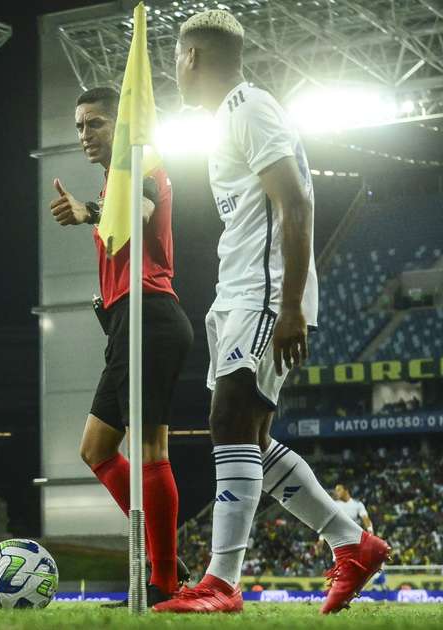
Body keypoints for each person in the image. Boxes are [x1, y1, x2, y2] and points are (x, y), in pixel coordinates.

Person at [153, 9, 390, 615]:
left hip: (263, 294)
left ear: (192, 58)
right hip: (239, 292)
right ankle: (350, 541)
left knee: (231, 419)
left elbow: (298, 199)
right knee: (247, 432)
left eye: (176, 56)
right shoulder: (229, 119)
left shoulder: (248, 108)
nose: (174, 67)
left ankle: (222, 584)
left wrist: (287, 305)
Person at [50, 86, 193, 606]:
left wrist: (89, 212)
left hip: (150, 314)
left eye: (95, 124)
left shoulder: (145, 162)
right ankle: (164, 555)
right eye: (79, 127)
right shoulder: (115, 179)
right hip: (124, 322)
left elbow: (142, 212)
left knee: (151, 449)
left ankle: (164, 585)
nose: (85, 135)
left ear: (120, 126)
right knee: (96, 449)